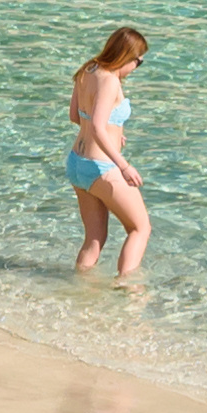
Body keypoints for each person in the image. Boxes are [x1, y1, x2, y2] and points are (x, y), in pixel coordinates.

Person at [65, 25, 152, 284]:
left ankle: (80, 288)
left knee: (94, 239)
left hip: (76, 163)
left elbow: (76, 116)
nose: (137, 67)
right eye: (139, 62)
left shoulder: (87, 69)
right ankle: (127, 290)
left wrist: (115, 132)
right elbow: (98, 127)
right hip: (101, 167)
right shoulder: (110, 81)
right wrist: (124, 165)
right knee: (140, 228)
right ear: (127, 56)